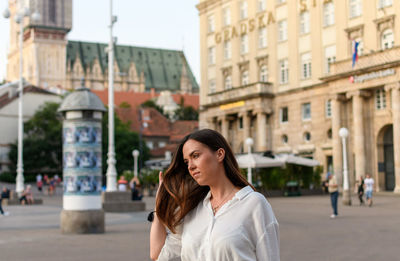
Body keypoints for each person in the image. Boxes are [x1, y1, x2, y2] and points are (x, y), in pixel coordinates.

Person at [150, 129, 280, 261]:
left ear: (219, 154)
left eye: (195, 156)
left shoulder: (254, 204)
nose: (190, 166)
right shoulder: (192, 209)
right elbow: (159, 255)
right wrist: (159, 203)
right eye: (186, 162)